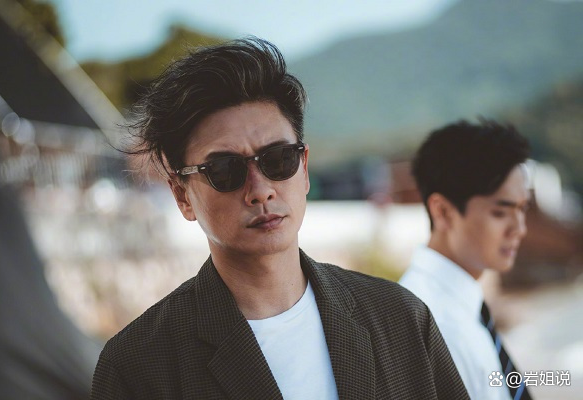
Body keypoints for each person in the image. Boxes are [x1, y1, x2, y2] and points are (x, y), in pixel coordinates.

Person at [90, 37, 468, 399]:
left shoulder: (400, 318)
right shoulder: (139, 367)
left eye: (278, 159)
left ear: (304, 169)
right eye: (225, 170)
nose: (260, 190)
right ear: (182, 195)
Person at [400, 120, 532, 400]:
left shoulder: (462, 307)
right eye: (500, 212)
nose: (519, 229)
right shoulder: (435, 325)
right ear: (443, 212)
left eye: (522, 209)